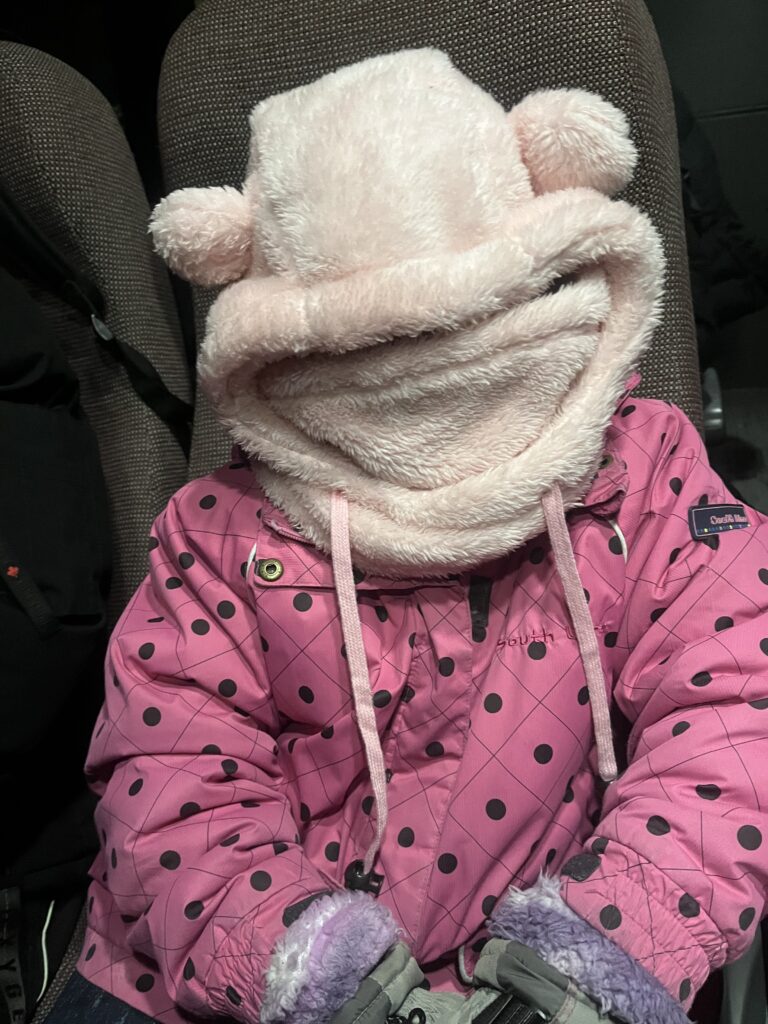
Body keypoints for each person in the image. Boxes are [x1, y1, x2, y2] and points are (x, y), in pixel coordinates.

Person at [67, 49, 768, 1024]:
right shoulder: (214, 534)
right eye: (366, 351)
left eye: (454, 329)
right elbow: (172, 774)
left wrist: (602, 947)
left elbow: (737, 709)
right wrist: (302, 967)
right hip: (228, 976)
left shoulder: (646, 474)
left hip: (556, 951)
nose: (416, 382)